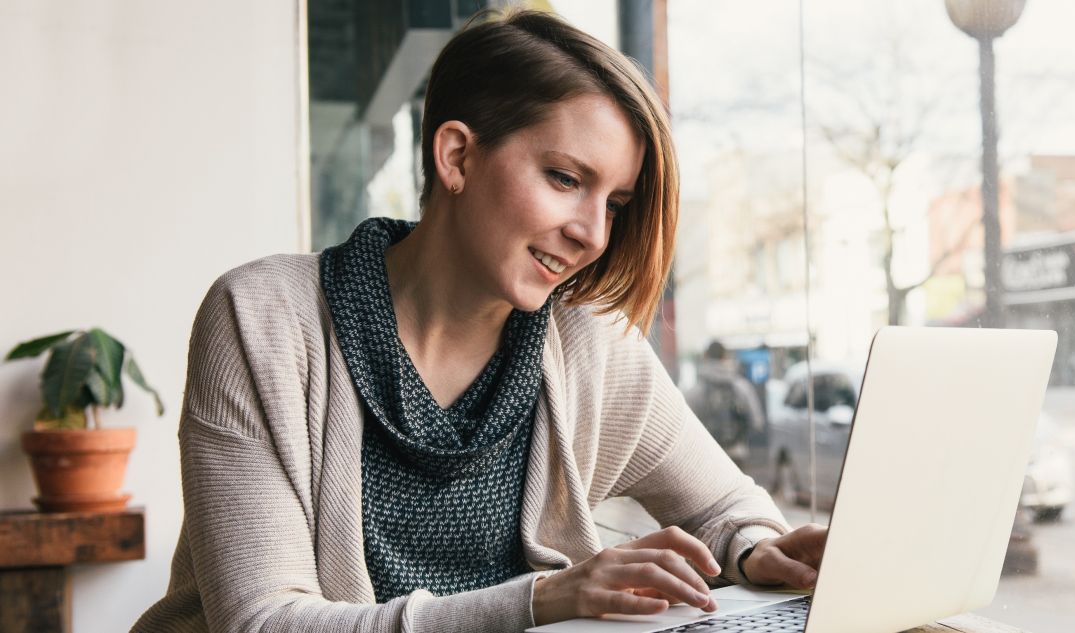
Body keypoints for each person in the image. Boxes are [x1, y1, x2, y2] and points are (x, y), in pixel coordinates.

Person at [133, 11, 824, 631]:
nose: (592, 233)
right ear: (456, 155)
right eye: (564, 178)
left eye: (614, 202)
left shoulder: (589, 345)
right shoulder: (263, 320)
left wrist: (762, 550)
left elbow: (726, 505)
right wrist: (542, 598)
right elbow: (262, 620)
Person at [686, 341, 766, 469]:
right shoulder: (741, 386)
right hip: (737, 454)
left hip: (707, 458)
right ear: (725, 357)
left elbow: (686, 428)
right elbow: (757, 422)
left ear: (705, 357)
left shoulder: (695, 391)